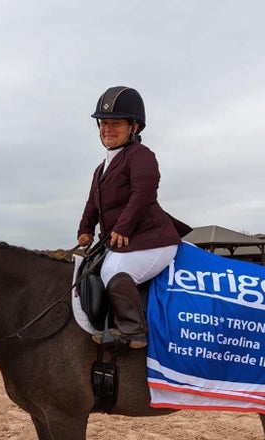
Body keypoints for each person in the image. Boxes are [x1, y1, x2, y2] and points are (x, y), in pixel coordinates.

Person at [77, 86, 191, 348]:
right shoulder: (101, 168)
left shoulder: (141, 156)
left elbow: (143, 192)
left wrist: (124, 226)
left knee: (113, 271)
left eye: (115, 123)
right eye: (103, 123)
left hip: (153, 239)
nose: (107, 129)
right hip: (124, 239)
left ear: (135, 127)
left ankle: (133, 329)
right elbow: (93, 202)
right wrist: (85, 228)